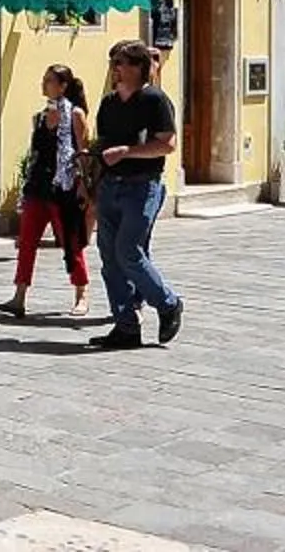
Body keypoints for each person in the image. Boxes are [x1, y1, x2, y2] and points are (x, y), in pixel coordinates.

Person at [88, 40, 182, 351]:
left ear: (139, 67)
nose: (116, 68)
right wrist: (92, 169)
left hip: (142, 186)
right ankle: (126, 325)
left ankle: (168, 304)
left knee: (128, 251)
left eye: (122, 62)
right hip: (110, 187)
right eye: (114, 62)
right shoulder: (109, 104)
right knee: (109, 257)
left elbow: (168, 144)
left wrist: (127, 152)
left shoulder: (155, 100)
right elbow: (103, 143)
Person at [0, 65, 92, 320]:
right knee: (26, 242)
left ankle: (81, 294)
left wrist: (82, 185)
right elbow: (36, 153)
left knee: (71, 243)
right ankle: (19, 297)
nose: (43, 84)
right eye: (44, 79)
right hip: (37, 187)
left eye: (49, 80)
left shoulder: (76, 114)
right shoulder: (39, 117)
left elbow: (82, 153)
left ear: (63, 85)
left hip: (64, 188)